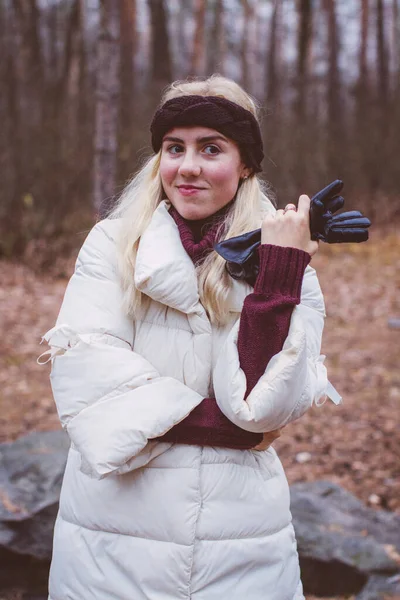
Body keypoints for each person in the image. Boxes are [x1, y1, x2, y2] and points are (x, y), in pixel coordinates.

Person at [40, 74, 330, 600]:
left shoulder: (283, 255)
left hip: (242, 542)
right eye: (175, 147)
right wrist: (231, 432)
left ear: (245, 165)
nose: (188, 166)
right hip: (114, 541)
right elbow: (93, 386)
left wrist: (280, 271)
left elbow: (264, 406)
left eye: (211, 148)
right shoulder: (112, 243)